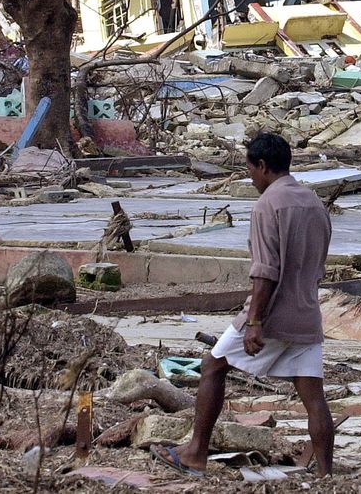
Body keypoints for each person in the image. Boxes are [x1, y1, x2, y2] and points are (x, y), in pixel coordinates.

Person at [151, 132, 334, 477]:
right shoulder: (314, 203)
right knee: (314, 397)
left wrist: (254, 321)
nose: (250, 178)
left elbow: (265, 272)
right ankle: (326, 473)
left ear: (262, 166)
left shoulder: (268, 205)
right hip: (308, 313)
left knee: (213, 366)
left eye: (250, 170)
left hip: (273, 313)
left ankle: (195, 452)